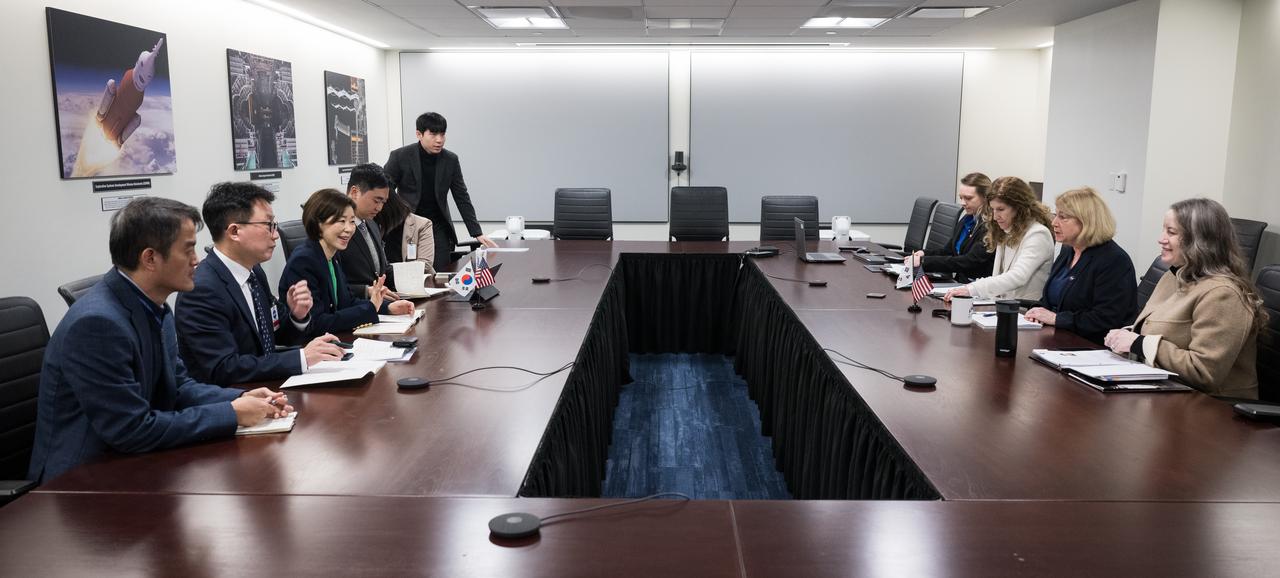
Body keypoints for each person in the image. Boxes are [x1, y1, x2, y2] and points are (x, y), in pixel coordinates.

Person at [28, 197, 291, 483]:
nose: (197, 260)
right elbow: (131, 429)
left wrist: (240, 397)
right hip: (80, 483)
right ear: (150, 258)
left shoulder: (155, 305)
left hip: (136, 463)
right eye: (188, 249)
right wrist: (231, 413)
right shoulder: (96, 324)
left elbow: (177, 386)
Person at [176, 182, 345, 385]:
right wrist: (301, 358)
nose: (275, 234)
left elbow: (275, 336)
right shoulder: (202, 288)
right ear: (234, 232)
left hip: (266, 388)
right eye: (268, 226)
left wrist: (297, 316)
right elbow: (224, 368)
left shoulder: (254, 271)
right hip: (233, 399)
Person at [1104, 198, 1266, 398]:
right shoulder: (1174, 276)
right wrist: (1127, 336)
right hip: (1169, 393)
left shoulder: (1224, 294)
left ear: (1200, 241)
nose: (1161, 239)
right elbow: (1165, 330)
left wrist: (1138, 343)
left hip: (1215, 410)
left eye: (1171, 232)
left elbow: (1204, 372)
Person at [279, 189, 414, 335]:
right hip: (312, 347)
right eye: (341, 221)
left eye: (352, 221)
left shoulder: (333, 255)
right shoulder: (304, 261)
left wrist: (387, 307)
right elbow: (316, 322)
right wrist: (370, 308)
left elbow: (347, 302)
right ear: (318, 223)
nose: (349, 229)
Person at [384, 112, 498, 271]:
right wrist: (398, 214)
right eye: (433, 134)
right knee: (408, 274)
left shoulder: (450, 159)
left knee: (440, 273)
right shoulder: (400, 156)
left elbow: (461, 196)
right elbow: (384, 189)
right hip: (406, 224)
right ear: (419, 134)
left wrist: (476, 232)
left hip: (438, 226)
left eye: (442, 134)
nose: (439, 140)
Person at [1024, 187, 1137, 343]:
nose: (1054, 222)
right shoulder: (1068, 251)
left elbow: (1106, 319)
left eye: (1063, 217)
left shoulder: (1113, 260)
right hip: (1057, 340)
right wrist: (1037, 312)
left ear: (1087, 221)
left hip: (1091, 347)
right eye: (1056, 215)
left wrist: (1056, 319)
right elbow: (1051, 301)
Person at [944, 177, 1053, 301]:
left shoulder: (1038, 234)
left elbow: (1018, 276)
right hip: (1001, 304)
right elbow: (998, 276)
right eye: (992, 209)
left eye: (1001, 209)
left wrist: (972, 289)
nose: (995, 216)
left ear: (1019, 208)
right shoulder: (1006, 230)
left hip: (1025, 310)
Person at [909, 172, 996, 282]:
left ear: (985, 198)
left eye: (968, 198)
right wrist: (924, 253)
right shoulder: (967, 219)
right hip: (960, 283)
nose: (963, 203)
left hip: (975, 287)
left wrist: (924, 261)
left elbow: (969, 261)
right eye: (961, 198)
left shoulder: (991, 226)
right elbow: (949, 251)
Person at [340, 163, 397, 298]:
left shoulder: (371, 224)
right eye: (376, 200)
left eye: (383, 202)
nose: (379, 208)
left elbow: (382, 270)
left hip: (379, 304)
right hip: (353, 307)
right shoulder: (336, 230)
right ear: (355, 192)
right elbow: (332, 285)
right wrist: (366, 291)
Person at [373, 190, 436, 275]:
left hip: (416, 280)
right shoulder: (373, 224)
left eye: (380, 203)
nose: (377, 208)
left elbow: (425, 264)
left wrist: (388, 269)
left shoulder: (422, 224)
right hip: (382, 282)